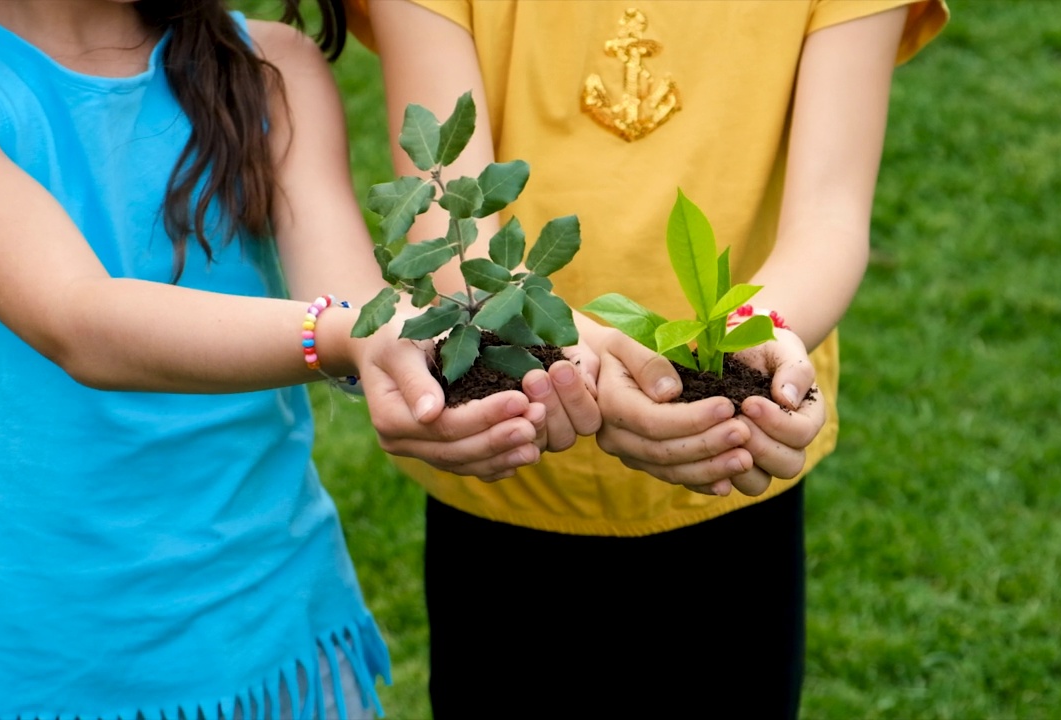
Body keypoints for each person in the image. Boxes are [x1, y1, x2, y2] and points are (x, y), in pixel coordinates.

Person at [0, 0, 561, 717]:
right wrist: (338, 339)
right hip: (50, 671)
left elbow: (356, 308)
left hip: (282, 641)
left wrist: (432, 364)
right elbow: (78, 320)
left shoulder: (272, 68)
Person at [351, 0, 948, 716]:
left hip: (730, 454)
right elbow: (449, 213)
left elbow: (830, 214)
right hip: (512, 454)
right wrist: (591, 362)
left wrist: (752, 339)